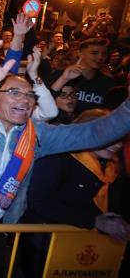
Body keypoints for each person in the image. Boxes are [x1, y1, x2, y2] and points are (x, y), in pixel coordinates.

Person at [0, 40, 130, 277]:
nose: (24, 100)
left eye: (29, 96)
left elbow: (94, 133)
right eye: (14, 93)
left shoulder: (39, 135)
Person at [21, 109, 130, 276]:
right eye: (111, 137)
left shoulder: (113, 168)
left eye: (121, 139)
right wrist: (94, 221)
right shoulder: (57, 157)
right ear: (89, 132)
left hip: (87, 249)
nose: (117, 145)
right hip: (45, 245)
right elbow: (38, 201)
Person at [49, 38, 116, 113]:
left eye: (104, 53)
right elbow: (43, 102)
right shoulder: (60, 77)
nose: (100, 57)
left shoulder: (108, 84)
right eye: (94, 53)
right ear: (80, 54)